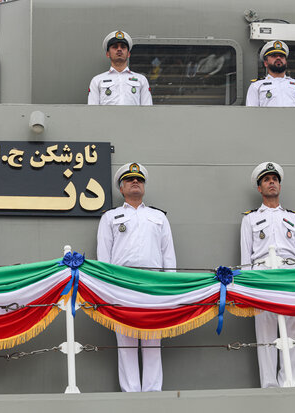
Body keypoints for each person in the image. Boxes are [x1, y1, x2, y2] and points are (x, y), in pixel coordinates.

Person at [97, 162, 176, 392]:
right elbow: (104, 256)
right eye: (130, 180)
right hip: (123, 283)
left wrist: (169, 287)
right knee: (126, 341)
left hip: (153, 283)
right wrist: (108, 288)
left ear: (144, 186)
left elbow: (168, 255)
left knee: (153, 341)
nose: (135, 182)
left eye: (139, 180)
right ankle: (130, 393)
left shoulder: (158, 216)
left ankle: (153, 392)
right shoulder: (111, 217)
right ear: (121, 189)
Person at [240, 161, 295, 388]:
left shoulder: (294, 218)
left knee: (293, 333)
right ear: (259, 188)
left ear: (279, 185)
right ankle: (269, 388)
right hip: (262, 278)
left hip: (291, 276)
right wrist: (248, 287)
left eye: (275, 179)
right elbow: (245, 258)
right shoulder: (249, 219)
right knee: (266, 335)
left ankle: (290, 385)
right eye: (267, 180)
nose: (272, 182)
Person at [88, 30, 152, 105]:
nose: (119, 49)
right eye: (115, 47)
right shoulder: (97, 81)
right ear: (108, 54)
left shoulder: (141, 80)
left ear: (128, 54)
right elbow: (92, 111)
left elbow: (147, 108)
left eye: (123, 47)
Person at [246, 40, 295, 107]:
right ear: (265, 63)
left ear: (286, 62)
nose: (278, 58)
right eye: (274, 56)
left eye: (281, 56)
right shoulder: (257, 86)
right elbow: (251, 114)